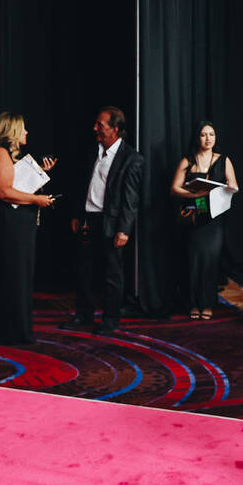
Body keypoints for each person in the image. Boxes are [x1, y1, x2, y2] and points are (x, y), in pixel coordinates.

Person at [0, 112, 56, 344]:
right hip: (7, 227)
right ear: (11, 131)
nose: (27, 133)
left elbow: (13, 183)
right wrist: (37, 200)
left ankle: (14, 330)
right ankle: (12, 333)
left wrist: (39, 171)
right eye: (23, 129)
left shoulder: (3, 155)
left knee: (15, 276)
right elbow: (3, 191)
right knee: (12, 276)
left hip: (10, 225)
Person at [62, 106, 144, 335]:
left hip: (111, 224)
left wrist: (124, 230)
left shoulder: (131, 159)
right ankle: (83, 314)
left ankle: (110, 319)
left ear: (116, 129)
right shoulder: (92, 151)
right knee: (83, 269)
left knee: (112, 274)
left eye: (101, 125)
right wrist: (78, 214)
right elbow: (82, 185)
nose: (95, 128)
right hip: (88, 219)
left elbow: (131, 199)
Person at [170, 121, 239, 319]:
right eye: (203, 134)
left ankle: (207, 304)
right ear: (197, 137)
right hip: (193, 217)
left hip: (214, 219)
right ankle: (192, 303)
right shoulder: (188, 160)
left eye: (212, 134)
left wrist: (224, 191)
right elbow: (174, 188)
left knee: (210, 262)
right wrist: (195, 195)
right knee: (193, 261)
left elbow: (234, 185)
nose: (208, 138)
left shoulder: (224, 159)